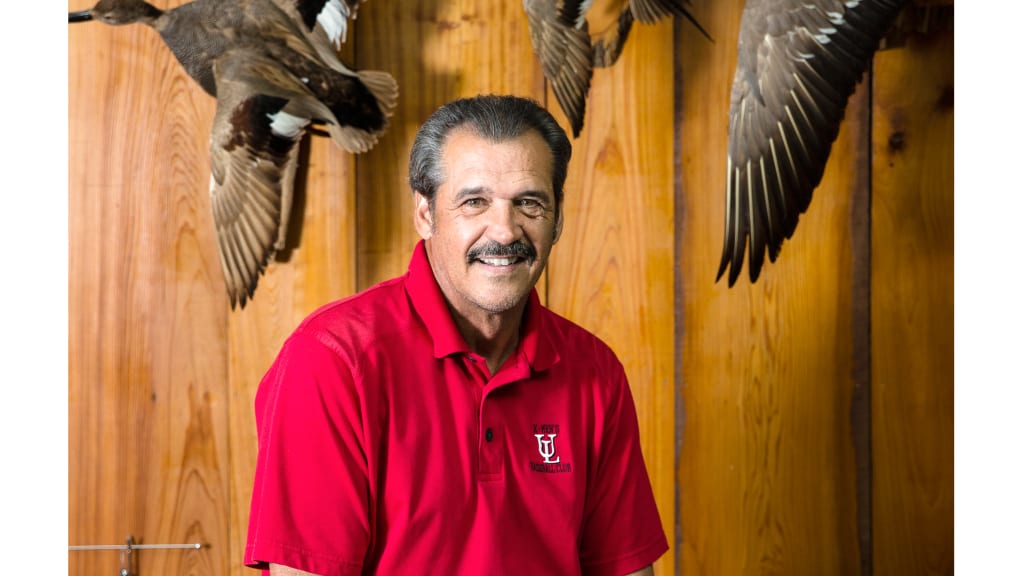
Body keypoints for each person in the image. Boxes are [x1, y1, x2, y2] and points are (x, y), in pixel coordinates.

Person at [244, 94, 668, 576]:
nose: (505, 231)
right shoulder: (333, 361)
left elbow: (626, 569)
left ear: (558, 218)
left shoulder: (595, 371)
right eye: (474, 202)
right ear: (425, 214)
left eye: (529, 203)